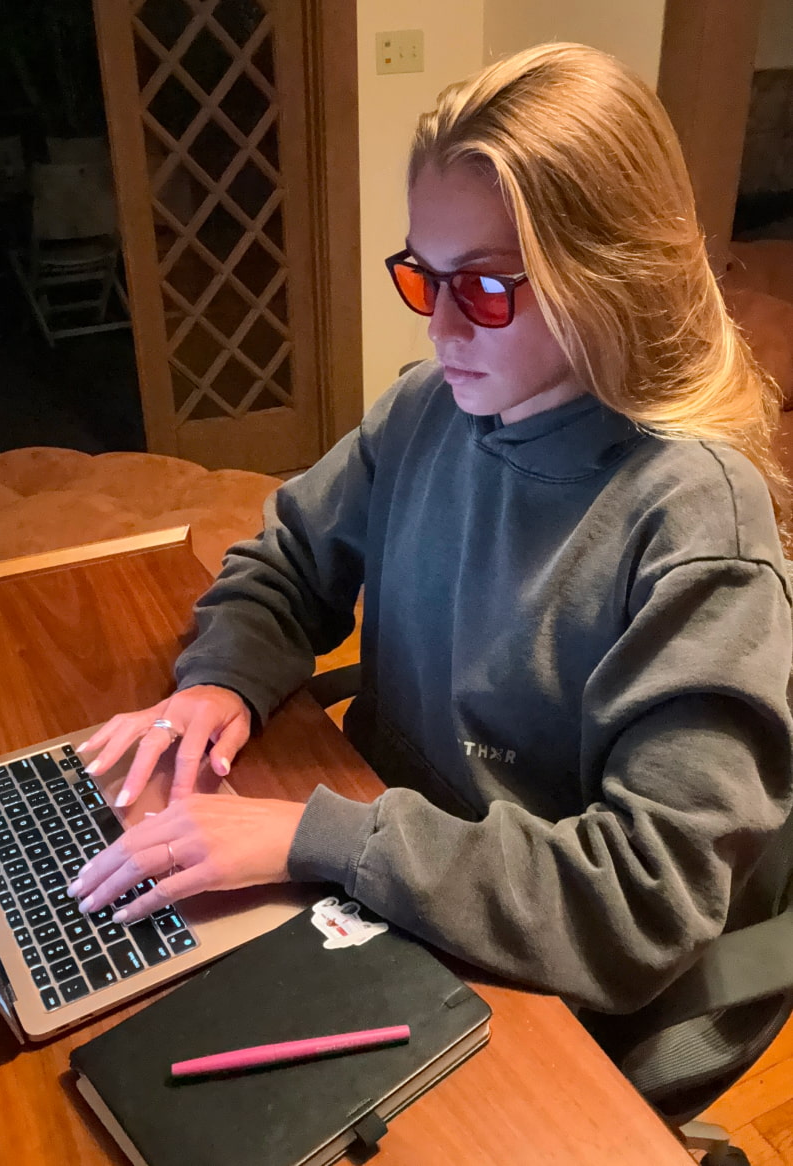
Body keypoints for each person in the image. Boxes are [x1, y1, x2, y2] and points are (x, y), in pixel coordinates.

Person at [68, 42, 793, 1022]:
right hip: (369, 882)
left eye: (485, 289)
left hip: (526, 973)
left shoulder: (693, 519)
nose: (440, 329)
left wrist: (312, 838)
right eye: (424, 275)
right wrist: (220, 678)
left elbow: (639, 901)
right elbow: (286, 560)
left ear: (608, 279)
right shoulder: (430, 410)